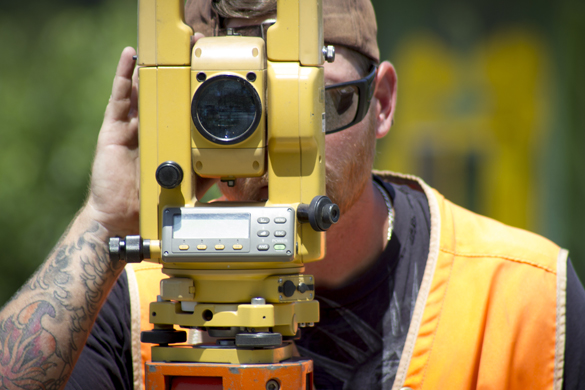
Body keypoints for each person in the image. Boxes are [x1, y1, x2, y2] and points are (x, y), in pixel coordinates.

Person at [1, 0, 584, 389]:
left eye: (313, 104)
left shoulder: (524, 297)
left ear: (380, 102)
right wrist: (105, 223)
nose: (268, 146)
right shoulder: (138, 292)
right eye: (230, 109)